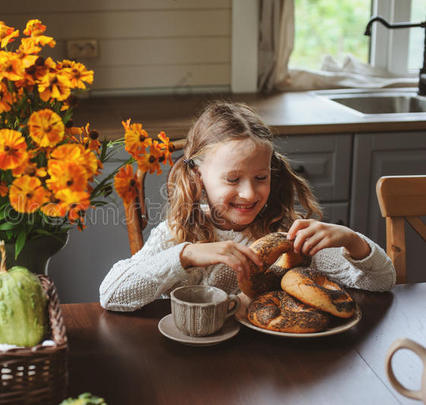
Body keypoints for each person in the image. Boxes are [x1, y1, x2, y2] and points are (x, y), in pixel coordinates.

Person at [99, 101, 395, 312]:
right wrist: (186, 255)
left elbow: (382, 281)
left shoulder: (286, 236)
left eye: (260, 177)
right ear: (198, 175)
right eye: (232, 178)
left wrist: (352, 240)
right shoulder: (178, 235)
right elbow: (111, 294)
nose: (249, 192)